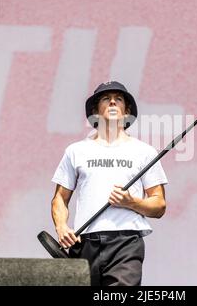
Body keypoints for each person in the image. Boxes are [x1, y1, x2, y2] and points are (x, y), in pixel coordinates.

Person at [50, 81, 168, 286]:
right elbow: (60, 197)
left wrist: (131, 202)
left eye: (119, 99)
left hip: (126, 244)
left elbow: (159, 206)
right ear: (96, 110)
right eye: (106, 98)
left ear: (126, 110)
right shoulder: (76, 151)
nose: (113, 102)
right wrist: (61, 226)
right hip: (84, 243)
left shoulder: (145, 152)